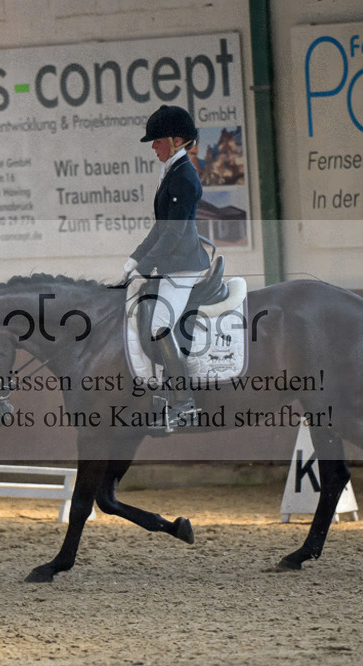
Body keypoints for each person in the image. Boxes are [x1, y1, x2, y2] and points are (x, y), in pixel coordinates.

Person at [123, 105, 211, 430]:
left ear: (176, 141)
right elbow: (161, 228)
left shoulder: (184, 177)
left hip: (183, 266)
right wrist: (136, 258)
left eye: (158, 141)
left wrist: (146, 266)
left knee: (160, 325)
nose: (153, 146)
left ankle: (184, 403)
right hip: (172, 263)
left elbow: (173, 233)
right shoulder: (170, 171)